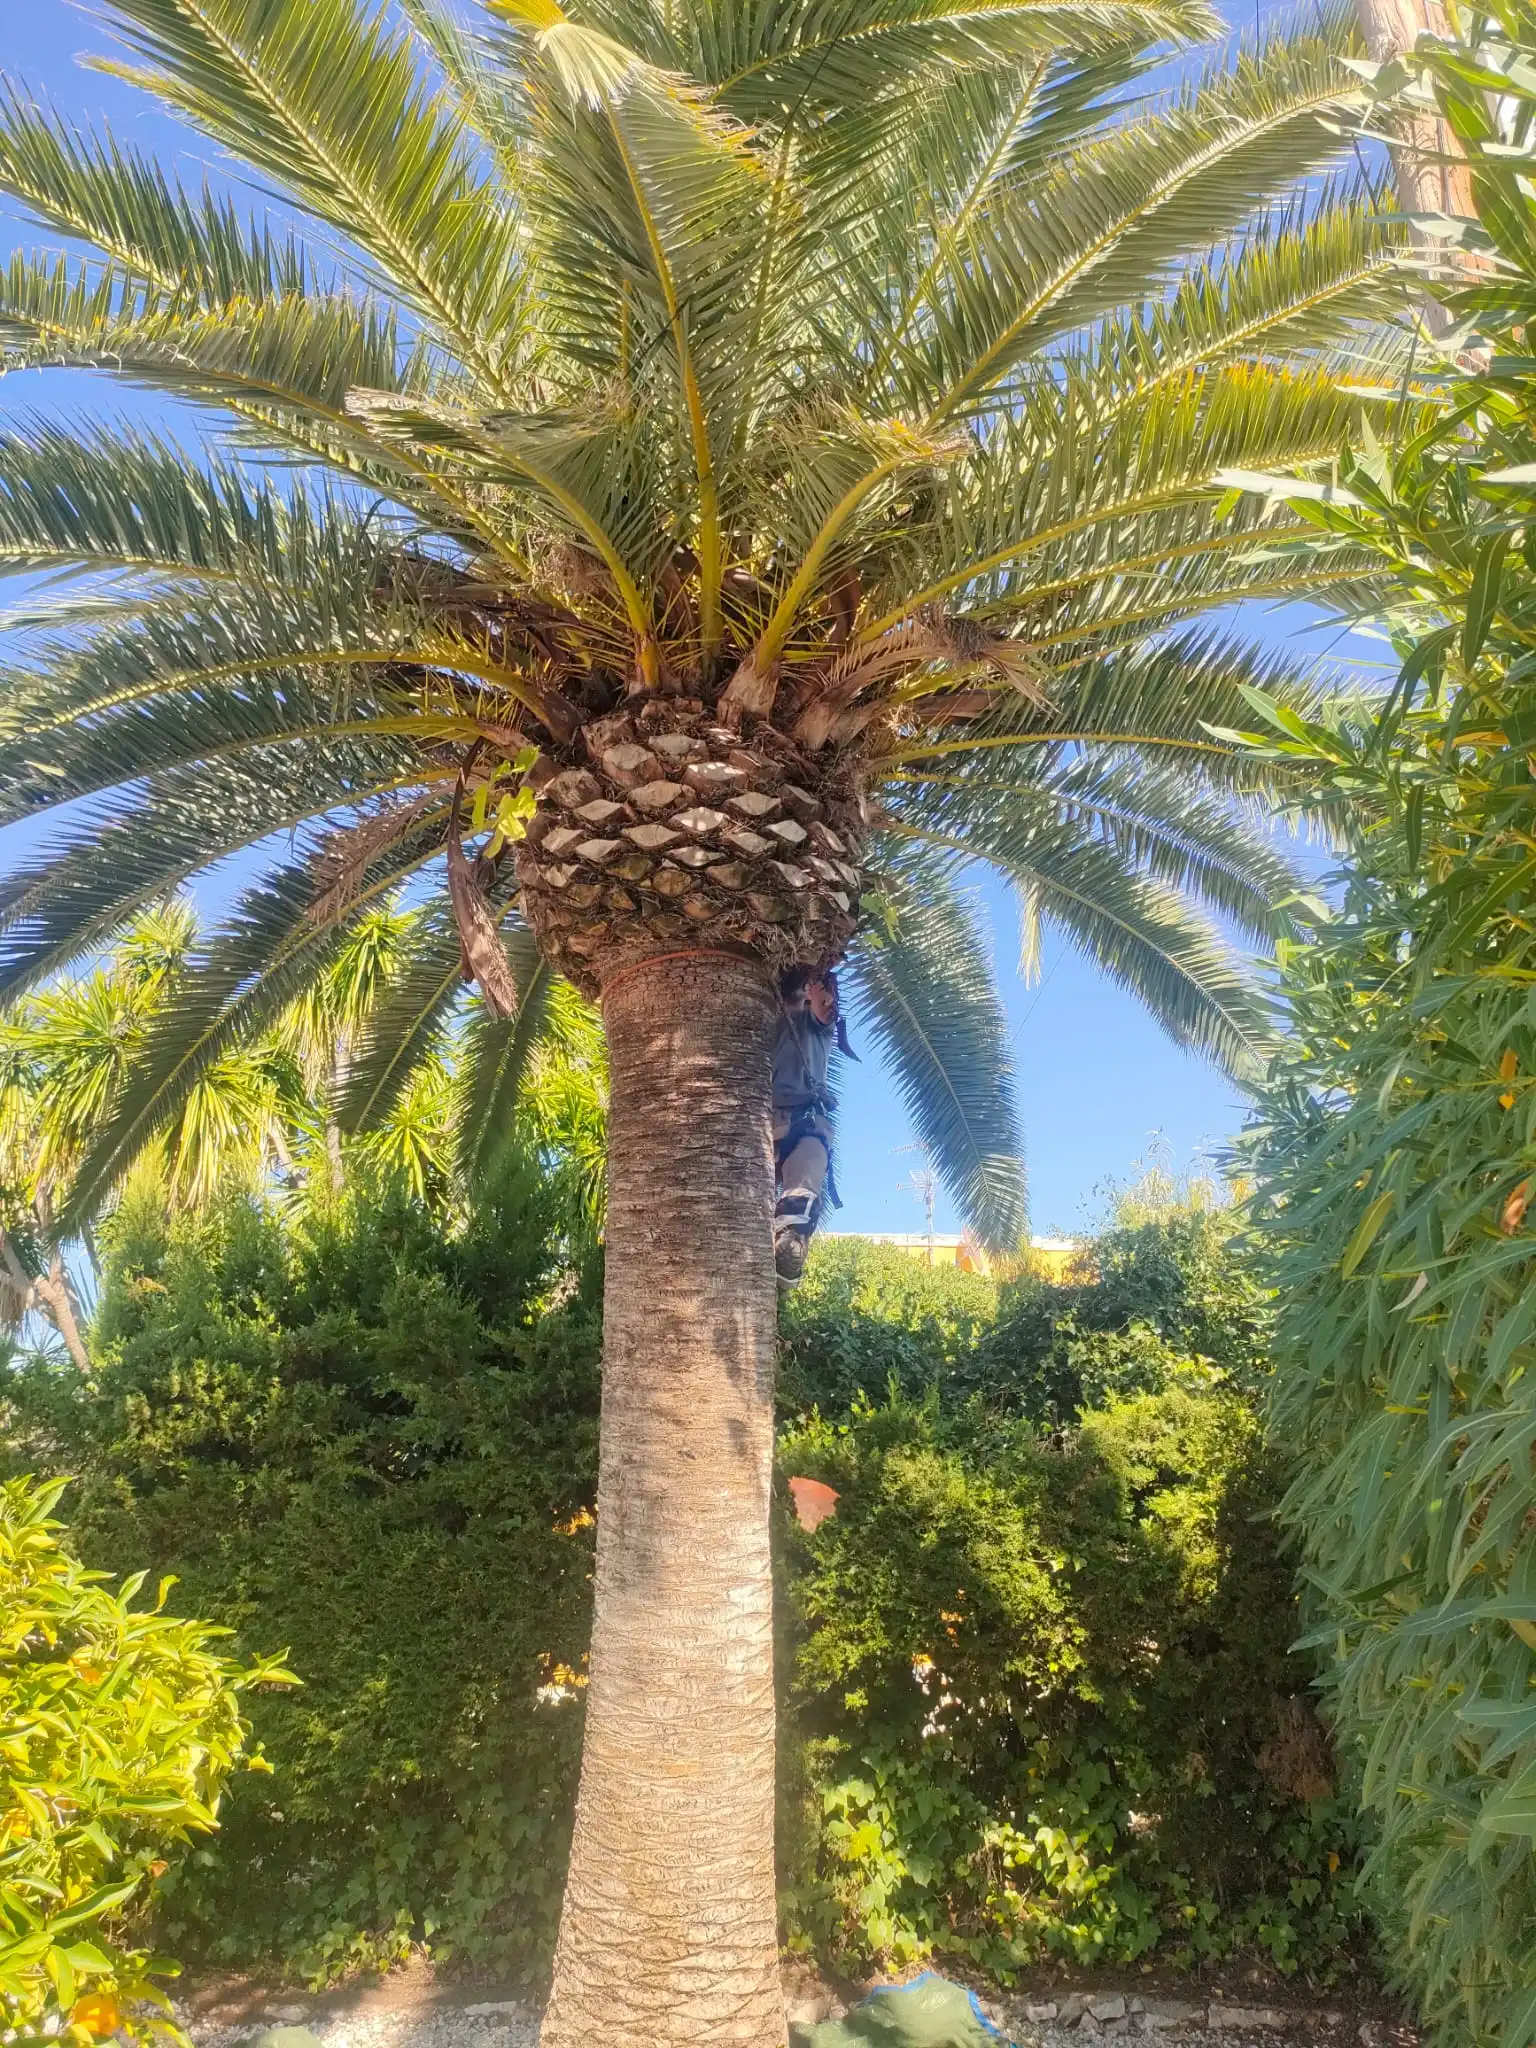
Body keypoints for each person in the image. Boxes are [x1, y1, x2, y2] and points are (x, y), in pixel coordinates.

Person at [772, 965, 855, 1286]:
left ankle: (790, 1246)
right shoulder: (765, 1015)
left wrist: (821, 988)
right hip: (761, 1121)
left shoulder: (816, 1024)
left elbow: (824, 1011)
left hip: (803, 1121)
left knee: (803, 1189)